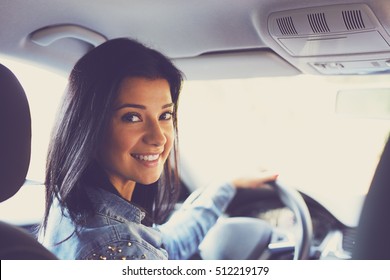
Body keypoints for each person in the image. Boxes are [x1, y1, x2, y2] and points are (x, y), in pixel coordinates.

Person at [38, 38, 277, 260]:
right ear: (88, 126)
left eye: (165, 115)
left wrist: (226, 186)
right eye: (132, 117)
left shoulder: (72, 207)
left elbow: (166, 244)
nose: (158, 137)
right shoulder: (119, 249)